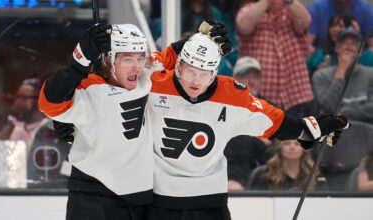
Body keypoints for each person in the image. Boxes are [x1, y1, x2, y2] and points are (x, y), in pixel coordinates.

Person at [54, 28, 349, 220]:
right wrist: (69, 118)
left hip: (210, 205)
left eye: (205, 73)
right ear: (178, 66)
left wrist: (315, 129)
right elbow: (111, 83)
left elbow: (278, 122)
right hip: (159, 204)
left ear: (216, 72)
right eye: (190, 71)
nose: (196, 81)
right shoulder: (151, 82)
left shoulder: (233, 95)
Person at [39, 21, 230, 220]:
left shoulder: (146, 75)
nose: (136, 66)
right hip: (95, 198)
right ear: (109, 59)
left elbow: (172, 56)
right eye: (128, 59)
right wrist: (79, 61)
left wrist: (207, 37)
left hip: (139, 203)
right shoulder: (90, 88)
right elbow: (49, 102)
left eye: (140, 57)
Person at [236, 0, 313, 118]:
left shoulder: (293, 9)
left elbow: (305, 21)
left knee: (295, 135)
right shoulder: (250, 9)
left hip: (295, 94)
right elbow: (243, 25)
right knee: (262, 136)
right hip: (262, 94)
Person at [312, 28, 373, 123]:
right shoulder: (321, 76)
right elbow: (329, 107)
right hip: (333, 133)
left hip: (365, 132)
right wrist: (340, 72)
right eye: (344, 43)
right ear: (337, 48)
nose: (349, 48)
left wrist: (343, 112)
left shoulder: (370, 75)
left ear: (360, 50)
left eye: (354, 44)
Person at [248, 140, 328, 191]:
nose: (292, 147)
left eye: (297, 144)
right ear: (279, 147)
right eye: (287, 143)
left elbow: (324, 203)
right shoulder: (262, 174)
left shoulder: (315, 174)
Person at [0, 78, 49, 151]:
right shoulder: (14, 126)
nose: (17, 102)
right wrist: (11, 123)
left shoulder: (49, 128)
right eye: (17, 97)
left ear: (38, 100)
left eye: (23, 97)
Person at [307, 0, 373, 54]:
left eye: (343, 26)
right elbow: (306, 45)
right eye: (333, 25)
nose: (337, 30)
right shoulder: (317, 9)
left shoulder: (366, 9)